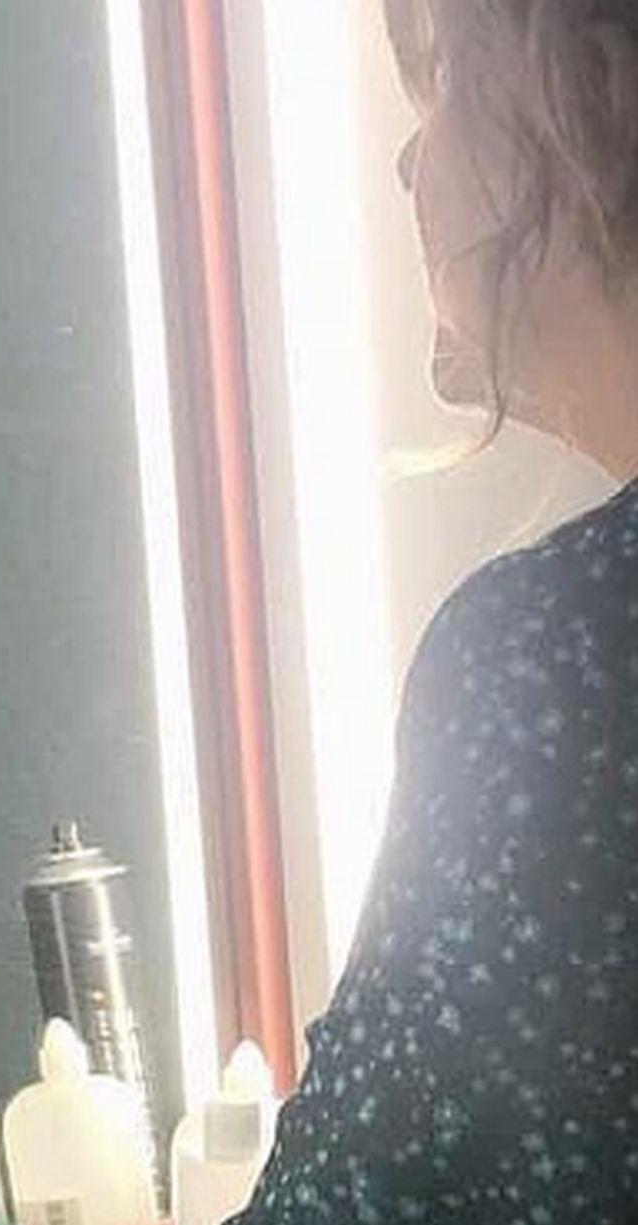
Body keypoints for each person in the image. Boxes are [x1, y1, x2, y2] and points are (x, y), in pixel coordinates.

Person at [233, 3, 638, 1220]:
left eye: (443, 86)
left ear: (588, 102)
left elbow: (350, 1191)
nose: (410, 162)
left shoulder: (548, 659)